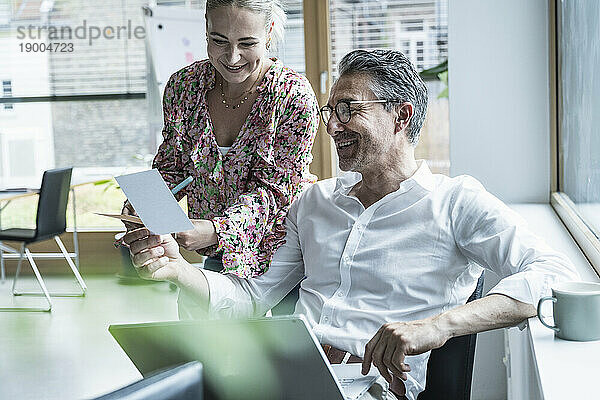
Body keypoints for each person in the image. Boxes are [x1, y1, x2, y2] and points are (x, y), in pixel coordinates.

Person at [123, 49, 579, 400]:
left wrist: (439, 325)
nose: (333, 126)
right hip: (285, 376)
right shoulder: (314, 201)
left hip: (369, 388)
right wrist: (177, 270)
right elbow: (253, 297)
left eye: (349, 110)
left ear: (399, 115)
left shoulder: (455, 202)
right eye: (330, 112)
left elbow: (556, 275)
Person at [122, 0, 319, 282]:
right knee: (201, 326)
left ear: (269, 32)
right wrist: (146, 204)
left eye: (247, 43)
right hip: (214, 257)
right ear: (206, 29)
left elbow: (276, 193)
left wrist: (216, 230)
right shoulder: (184, 86)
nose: (233, 57)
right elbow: (172, 167)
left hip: (285, 255)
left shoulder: (292, 96)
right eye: (219, 40)